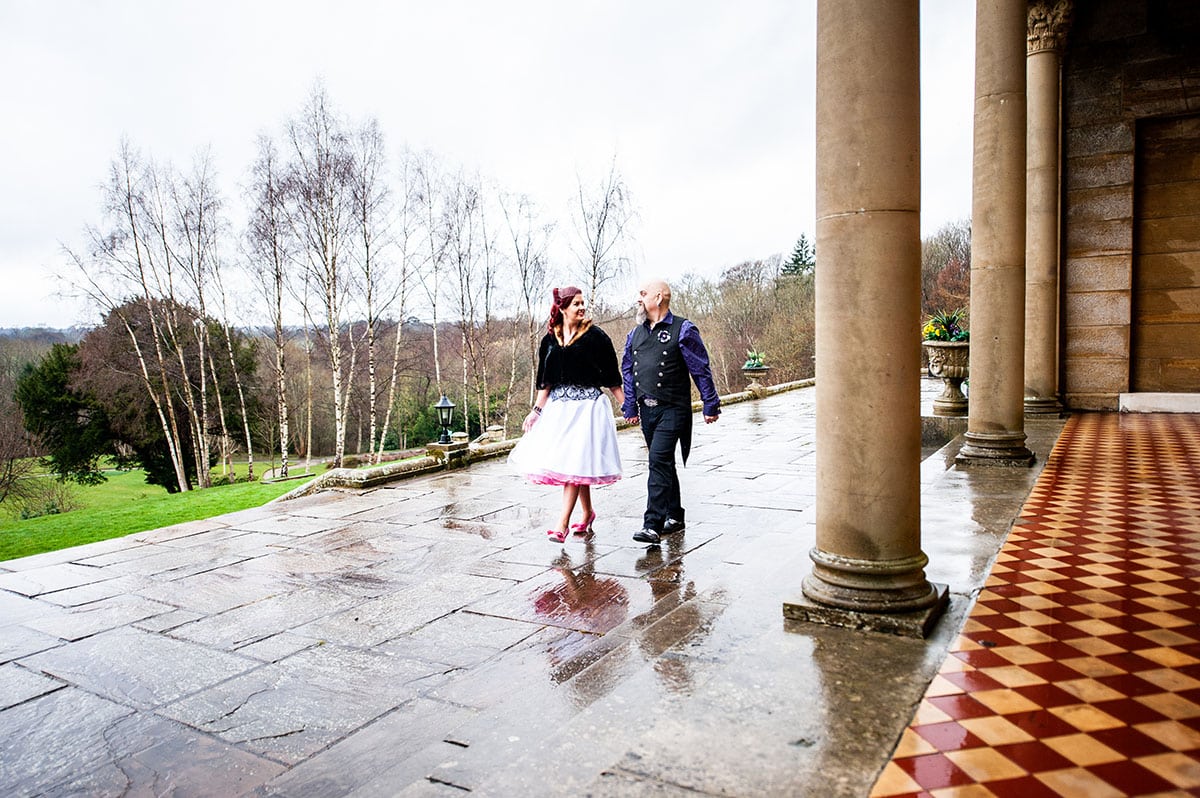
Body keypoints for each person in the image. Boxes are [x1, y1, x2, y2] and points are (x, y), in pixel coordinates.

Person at [508, 286, 625, 543]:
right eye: (576, 304)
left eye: (583, 303)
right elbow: (544, 381)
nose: (582, 308)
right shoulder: (549, 340)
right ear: (562, 308)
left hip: (588, 410)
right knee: (576, 465)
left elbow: (612, 378)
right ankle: (587, 513)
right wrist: (536, 411)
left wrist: (627, 407)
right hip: (559, 411)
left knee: (574, 463)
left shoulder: (597, 337)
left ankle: (562, 525)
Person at [621, 278, 720, 545]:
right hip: (647, 410)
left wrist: (710, 403)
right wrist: (630, 405)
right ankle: (674, 516)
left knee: (657, 461)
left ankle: (652, 525)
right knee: (662, 462)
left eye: (644, 293)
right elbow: (628, 371)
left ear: (659, 298)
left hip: (673, 409)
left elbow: (700, 368)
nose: (639, 297)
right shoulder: (635, 333)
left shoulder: (684, 329)